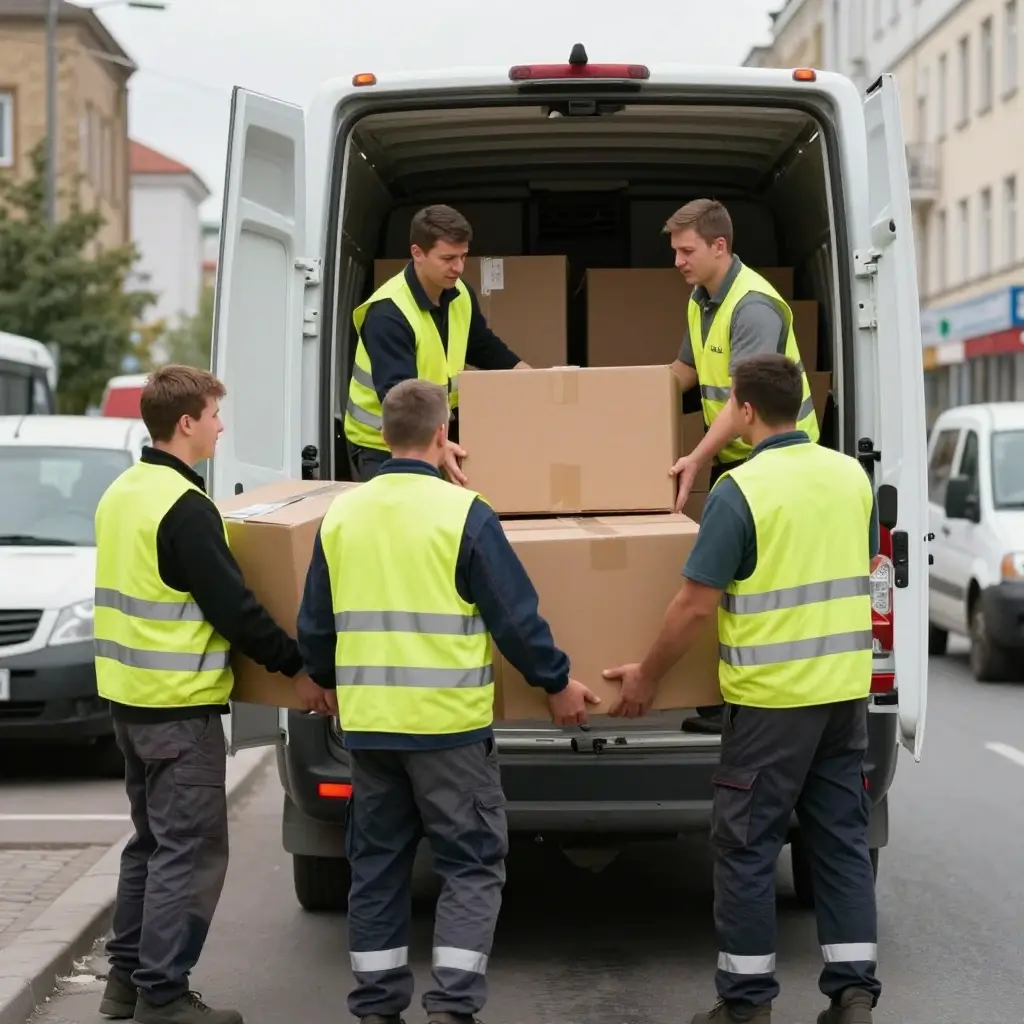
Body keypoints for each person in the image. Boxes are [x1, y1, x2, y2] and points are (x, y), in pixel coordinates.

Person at [298, 378, 598, 1024]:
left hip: (371, 732)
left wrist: (322, 678)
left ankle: (377, 1008)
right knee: (471, 864)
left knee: (376, 867)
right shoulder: (465, 514)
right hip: (448, 732)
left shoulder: (340, 514)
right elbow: (515, 618)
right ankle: (452, 1007)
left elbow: (315, 623)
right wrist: (557, 682)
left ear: (382, 435)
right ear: (442, 436)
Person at [603, 354, 880, 1024]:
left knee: (747, 845)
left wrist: (646, 676)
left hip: (771, 703)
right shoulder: (852, 477)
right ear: (803, 404)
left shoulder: (741, 490)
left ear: (746, 412)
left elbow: (695, 606)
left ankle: (747, 1002)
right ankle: (854, 994)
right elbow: (868, 568)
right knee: (839, 839)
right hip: (843, 697)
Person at [94, 365, 333, 1024]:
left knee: (151, 846)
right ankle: (163, 995)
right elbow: (238, 611)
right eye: (215, 414)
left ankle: (125, 985)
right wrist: (299, 669)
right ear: (187, 423)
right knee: (190, 852)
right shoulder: (185, 508)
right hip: (179, 709)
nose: (222, 426)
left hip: (130, 705)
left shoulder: (123, 493)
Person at [664, 198, 821, 736]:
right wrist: (611, 397)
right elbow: (683, 372)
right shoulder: (701, 297)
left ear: (719, 247)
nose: (679, 262)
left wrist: (695, 457)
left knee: (758, 586)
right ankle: (724, 698)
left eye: (686, 251)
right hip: (738, 458)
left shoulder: (753, 306)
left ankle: (760, 703)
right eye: (676, 252)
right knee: (729, 584)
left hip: (782, 457)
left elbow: (741, 400)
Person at [343, 203, 530, 485]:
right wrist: (440, 449)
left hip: (431, 434)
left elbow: (482, 345)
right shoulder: (388, 313)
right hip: (382, 445)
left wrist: (531, 376)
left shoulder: (459, 293)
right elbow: (400, 401)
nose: (458, 267)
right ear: (417, 253)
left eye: (463, 257)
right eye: (448, 258)